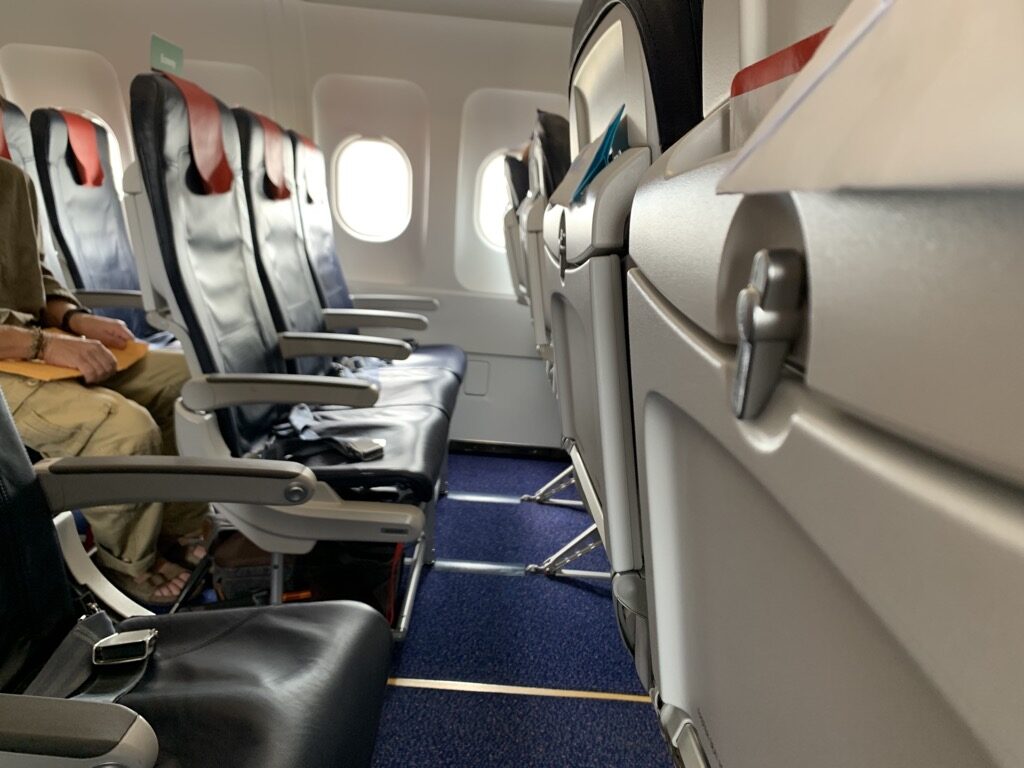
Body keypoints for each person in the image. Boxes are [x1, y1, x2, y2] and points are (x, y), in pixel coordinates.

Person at [0, 157, 206, 604]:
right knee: (124, 430)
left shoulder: (12, 180)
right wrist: (42, 345)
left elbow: (37, 276)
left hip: (36, 343)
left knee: (188, 383)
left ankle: (178, 526)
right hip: (12, 359)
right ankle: (128, 565)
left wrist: (75, 319)